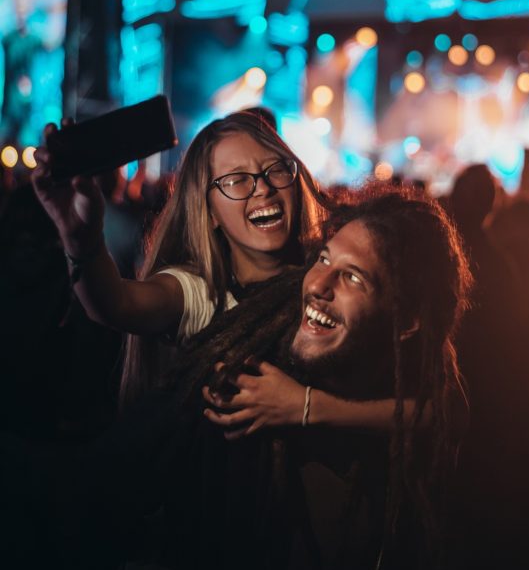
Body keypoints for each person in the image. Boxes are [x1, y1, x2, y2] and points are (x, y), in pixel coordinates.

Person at [61, 183, 472, 570]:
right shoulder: (248, 356)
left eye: (352, 277)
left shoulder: (410, 404)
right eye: (324, 259)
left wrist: (305, 406)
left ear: (408, 323)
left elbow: (449, 414)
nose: (319, 285)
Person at [32, 110, 329, 404]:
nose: (263, 188)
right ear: (209, 211)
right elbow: (114, 304)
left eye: (275, 169)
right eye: (237, 179)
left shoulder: (336, 273)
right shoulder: (203, 295)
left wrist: (308, 407)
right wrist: (81, 239)